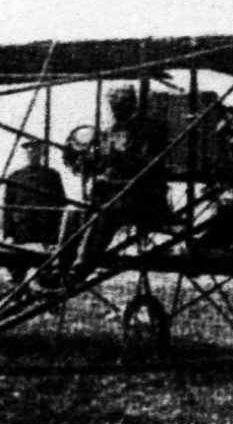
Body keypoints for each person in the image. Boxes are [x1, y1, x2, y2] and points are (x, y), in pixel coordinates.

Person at [65, 86, 172, 282]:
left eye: (122, 105)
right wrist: (85, 159)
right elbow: (96, 157)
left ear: (133, 105)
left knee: (106, 214)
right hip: (112, 195)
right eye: (114, 106)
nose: (116, 110)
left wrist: (120, 158)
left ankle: (79, 270)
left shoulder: (150, 130)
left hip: (143, 197)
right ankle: (59, 266)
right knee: (74, 212)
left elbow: (150, 162)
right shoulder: (107, 132)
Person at [1, 141, 67, 284]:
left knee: (45, 270)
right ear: (25, 154)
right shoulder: (15, 176)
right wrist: (8, 234)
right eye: (29, 152)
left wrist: (57, 235)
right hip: (22, 231)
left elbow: (61, 204)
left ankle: (43, 293)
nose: (32, 154)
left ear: (41, 154)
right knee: (17, 269)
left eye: (35, 151)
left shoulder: (52, 176)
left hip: (45, 231)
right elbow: (8, 208)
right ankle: (17, 294)